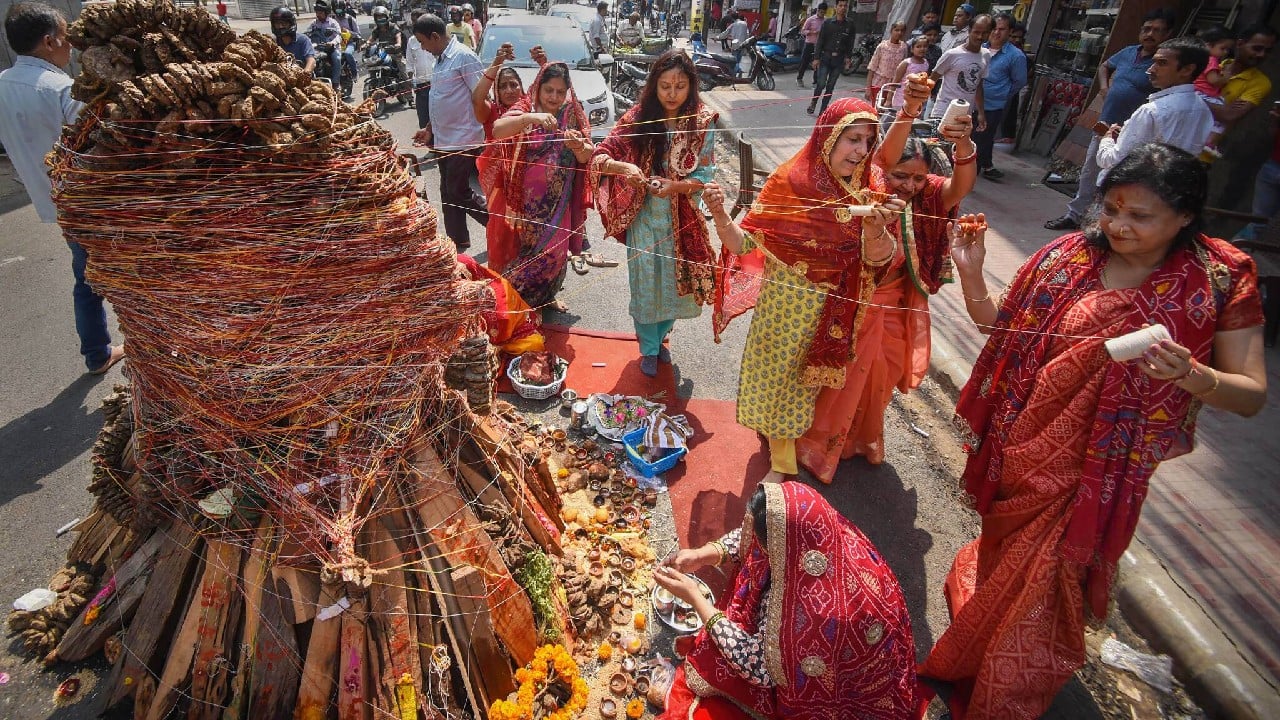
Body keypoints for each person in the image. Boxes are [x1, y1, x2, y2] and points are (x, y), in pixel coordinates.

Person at [921, 143, 1267, 720]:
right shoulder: (1066, 258)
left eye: (1141, 215)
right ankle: (983, 642)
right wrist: (971, 270)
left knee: (1048, 581)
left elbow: (1251, 395)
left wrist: (1194, 376)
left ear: (1185, 217)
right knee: (1005, 559)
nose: (1119, 226)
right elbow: (1000, 334)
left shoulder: (1219, 279)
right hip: (1022, 449)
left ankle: (1005, 695)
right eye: (1111, 209)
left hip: (1097, 472)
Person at [705, 87, 930, 483]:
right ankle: (782, 463)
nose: (861, 151)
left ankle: (789, 454)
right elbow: (746, 244)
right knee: (777, 380)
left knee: (810, 389)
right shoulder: (790, 181)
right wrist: (721, 216)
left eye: (867, 141)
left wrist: (877, 229)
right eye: (853, 138)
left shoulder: (873, 185)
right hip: (785, 307)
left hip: (840, 308)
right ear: (828, 134)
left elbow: (878, 262)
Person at [797, 116, 976, 479]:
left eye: (918, 178)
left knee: (881, 374)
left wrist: (965, 146)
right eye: (900, 176)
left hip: (895, 302)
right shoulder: (864, 191)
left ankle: (859, 441)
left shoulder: (926, 199)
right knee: (842, 377)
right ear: (882, 171)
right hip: (850, 300)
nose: (909, 185)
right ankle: (817, 444)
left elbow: (959, 188)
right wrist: (908, 110)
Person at [653, 482, 919, 719]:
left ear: (782, 549)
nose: (754, 544)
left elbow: (758, 668)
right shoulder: (809, 527)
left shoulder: (808, 613)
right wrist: (703, 554)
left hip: (839, 681)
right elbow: (751, 536)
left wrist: (698, 600)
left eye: (762, 542)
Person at [0, 1, 123, 375]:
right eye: (67, 38)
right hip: (86, 201)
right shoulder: (60, 89)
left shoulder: (3, 85)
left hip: (50, 199)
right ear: (50, 41)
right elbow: (102, 143)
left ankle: (99, 349)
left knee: (88, 273)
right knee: (97, 276)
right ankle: (101, 353)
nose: (72, 45)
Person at [591, 51, 718, 377]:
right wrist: (626, 166)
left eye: (680, 86)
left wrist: (675, 187)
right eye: (664, 86)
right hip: (645, 219)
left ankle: (662, 338)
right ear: (654, 86)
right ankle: (648, 347)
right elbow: (600, 155)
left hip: (682, 219)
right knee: (646, 284)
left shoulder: (702, 123)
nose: (672, 94)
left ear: (692, 86)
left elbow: (704, 177)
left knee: (675, 285)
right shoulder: (637, 118)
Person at [1045, 9, 1173, 231]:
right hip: (1106, 127)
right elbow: (1105, 65)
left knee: (1119, 181)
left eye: (1157, 31)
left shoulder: (1163, 64)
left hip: (1136, 135)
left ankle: (1102, 224)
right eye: (1147, 29)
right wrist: (1104, 88)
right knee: (1089, 174)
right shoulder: (1128, 52)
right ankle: (1075, 216)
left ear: (1168, 34)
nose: (1150, 34)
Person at [485, 63, 594, 315]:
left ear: (567, 91)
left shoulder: (572, 113)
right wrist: (531, 118)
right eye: (549, 90)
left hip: (559, 201)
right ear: (538, 89)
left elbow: (588, 154)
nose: (554, 97)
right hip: (527, 204)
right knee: (529, 255)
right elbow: (497, 129)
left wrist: (578, 147)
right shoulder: (526, 108)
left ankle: (545, 299)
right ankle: (513, 303)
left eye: (560, 91)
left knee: (555, 257)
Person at [412, 13, 489, 252]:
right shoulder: (440, 61)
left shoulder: (463, 57)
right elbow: (439, 101)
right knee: (447, 194)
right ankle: (458, 244)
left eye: (423, 42)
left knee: (458, 191)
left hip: (463, 140)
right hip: (443, 141)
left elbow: (481, 97)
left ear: (435, 36)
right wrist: (429, 130)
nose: (423, 49)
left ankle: (500, 225)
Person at [1095, 37, 1212, 174]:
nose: (1151, 69)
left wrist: (1107, 139)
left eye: (1161, 63)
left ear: (1187, 70)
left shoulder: (1152, 111)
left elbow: (1113, 161)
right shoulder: (1203, 109)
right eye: (1153, 62)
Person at [1206, 24, 1276, 161]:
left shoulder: (1260, 83)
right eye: (1257, 48)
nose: (1261, 55)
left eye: (1267, 51)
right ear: (1240, 44)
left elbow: (1230, 116)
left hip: (1202, 153)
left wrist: (1193, 97)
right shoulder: (1215, 65)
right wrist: (1220, 109)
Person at [972, 12, 1025, 180]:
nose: (996, 32)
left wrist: (1001, 94)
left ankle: (972, 175)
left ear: (1009, 31)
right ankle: (985, 166)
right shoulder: (980, 47)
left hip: (992, 105)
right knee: (967, 138)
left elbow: (1019, 82)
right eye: (994, 28)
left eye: (1002, 29)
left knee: (981, 140)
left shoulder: (1016, 56)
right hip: (969, 101)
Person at [929, 14, 990, 125]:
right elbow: (931, 80)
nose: (980, 37)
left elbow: (979, 85)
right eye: (976, 32)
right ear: (969, 31)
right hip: (942, 113)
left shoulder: (986, 55)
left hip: (965, 116)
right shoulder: (952, 54)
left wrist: (981, 112)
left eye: (984, 33)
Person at [806, 0, 856, 116]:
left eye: (845, 6)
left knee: (830, 86)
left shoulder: (850, 24)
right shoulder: (827, 23)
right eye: (841, 5)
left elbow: (850, 42)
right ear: (836, 7)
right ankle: (814, 102)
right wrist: (816, 58)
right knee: (821, 83)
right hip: (825, 58)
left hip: (838, 60)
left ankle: (823, 110)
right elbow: (820, 41)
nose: (843, 8)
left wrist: (848, 57)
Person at [1190, 25, 1232, 157]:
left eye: (1227, 49)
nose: (1225, 52)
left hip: (1197, 92)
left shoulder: (1200, 59)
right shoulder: (1212, 60)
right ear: (1209, 45)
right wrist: (1225, 77)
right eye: (1222, 48)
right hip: (1203, 94)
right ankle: (1210, 141)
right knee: (1225, 117)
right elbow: (1213, 80)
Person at [406, 8, 436, 129]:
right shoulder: (412, 41)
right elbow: (409, 63)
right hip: (421, 86)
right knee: (424, 121)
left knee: (437, 119)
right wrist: (410, 81)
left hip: (436, 84)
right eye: (414, 22)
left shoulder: (435, 39)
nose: (415, 25)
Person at [308, 0, 344, 92]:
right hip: (318, 48)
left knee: (337, 58)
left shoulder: (333, 23)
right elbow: (307, 33)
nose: (318, 14)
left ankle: (336, 83)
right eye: (317, 12)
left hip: (332, 48)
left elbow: (339, 36)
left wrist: (332, 42)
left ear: (326, 12)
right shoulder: (314, 23)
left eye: (320, 12)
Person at [866, 20, 906, 101]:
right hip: (878, 83)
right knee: (876, 109)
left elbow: (903, 68)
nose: (899, 33)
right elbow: (872, 67)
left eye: (902, 31)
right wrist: (868, 88)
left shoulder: (904, 48)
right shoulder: (882, 46)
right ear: (891, 31)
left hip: (893, 85)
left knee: (887, 109)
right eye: (897, 30)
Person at [270, 6, 316, 73]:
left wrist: (305, 73)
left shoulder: (303, 40)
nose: (280, 26)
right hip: (281, 79)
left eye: (283, 23)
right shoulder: (273, 42)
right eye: (277, 23)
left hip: (302, 77)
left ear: (291, 23)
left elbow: (311, 60)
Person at [890, 34, 931, 109]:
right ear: (912, 49)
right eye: (918, 47)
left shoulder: (926, 63)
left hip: (915, 99)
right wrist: (888, 100)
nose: (922, 49)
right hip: (901, 99)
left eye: (925, 46)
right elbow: (895, 82)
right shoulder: (906, 63)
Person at [796, 2, 826, 87]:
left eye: (824, 12)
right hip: (809, 44)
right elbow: (803, 31)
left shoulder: (826, 21)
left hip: (819, 46)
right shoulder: (810, 19)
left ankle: (815, 82)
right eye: (821, 12)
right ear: (818, 10)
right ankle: (799, 78)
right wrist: (812, 32)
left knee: (817, 63)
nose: (822, 14)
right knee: (804, 62)